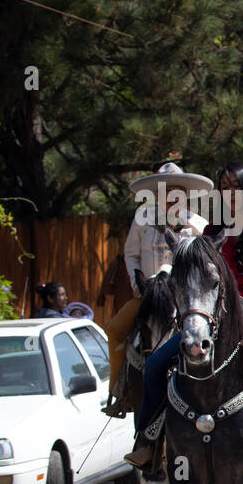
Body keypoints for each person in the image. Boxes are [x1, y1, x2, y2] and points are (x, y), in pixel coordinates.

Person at [127, 162, 243, 481]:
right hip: (215, 321)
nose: (229, 194)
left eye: (235, 187)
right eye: (224, 187)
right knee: (155, 365)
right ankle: (148, 441)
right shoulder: (210, 233)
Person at [103, 162, 211, 404]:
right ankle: (119, 393)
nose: (171, 197)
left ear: (185, 194)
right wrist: (135, 282)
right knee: (115, 330)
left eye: (176, 192)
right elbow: (131, 254)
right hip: (147, 295)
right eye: (165, 191)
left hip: (185, 299)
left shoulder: (199, 225)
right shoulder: (141, 220)